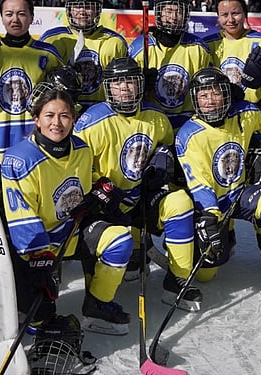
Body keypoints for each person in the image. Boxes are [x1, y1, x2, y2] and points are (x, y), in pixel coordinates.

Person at [3, 85, 135, 335]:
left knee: (119, 240)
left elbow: (84, 188)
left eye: (64, 116)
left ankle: (97, 303)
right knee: (36, 324)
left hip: (71, 231)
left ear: (73, 120)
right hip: (33, 245)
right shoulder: (20, 158)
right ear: (36, 119)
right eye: (49, 115)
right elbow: (21, 216)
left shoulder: (81, 150)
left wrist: (101, 190)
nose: (57, 123)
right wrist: (37, 256)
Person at [73, 58, 200, 309]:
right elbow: (75, 169)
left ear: (140, 85)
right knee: (102, 267)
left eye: (130, 82)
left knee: (180, 202)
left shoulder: (156, 118)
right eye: (117, 83)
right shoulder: (90, 122)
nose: (124, 88)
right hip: (105, 207)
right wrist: (98, 188)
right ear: (107, 87)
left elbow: (166, 152)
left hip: (141, 199)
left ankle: (179, 280)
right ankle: (98, 303)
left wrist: (164, 160)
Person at [172, 68, 261, 306]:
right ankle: (225, 233)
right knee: (207, 274)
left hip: (241, 192)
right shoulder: (189, 135)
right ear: (195, 99)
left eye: (216, 93)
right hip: (211, 204)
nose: (210, 101)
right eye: (203, 95)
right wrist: (212, 220)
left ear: (227, 94)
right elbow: (201, 184)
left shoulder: (244, 113)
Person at [0, 0, 64, 161]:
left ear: (32, 17)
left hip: (35, 140)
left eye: (22, 14)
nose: (15, 20)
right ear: (2, 17)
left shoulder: (47, 54)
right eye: (9, 14)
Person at [129, 0, 213, 130]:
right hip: (151, 124)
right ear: (159, 13)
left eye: (179, 11)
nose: (174, 17)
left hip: (188, 125)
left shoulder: (199, 48)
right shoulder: (139, 48)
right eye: (168, 11)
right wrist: (139, 86)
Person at [42, 0, 128, 109]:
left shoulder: (115, 42)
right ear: (69, 9)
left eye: (88, 6)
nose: (82, 11)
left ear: (97, 10)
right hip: (63, 113)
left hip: (102, 115)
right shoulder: (53, 39)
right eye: (77, 6)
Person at [203, 0, 261, 107]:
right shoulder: (207, 45)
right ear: (218, 17)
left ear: (245, 14)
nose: (231, 20)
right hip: (219, 116)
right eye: (225, 15)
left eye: (235, 13)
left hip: (252, 113)